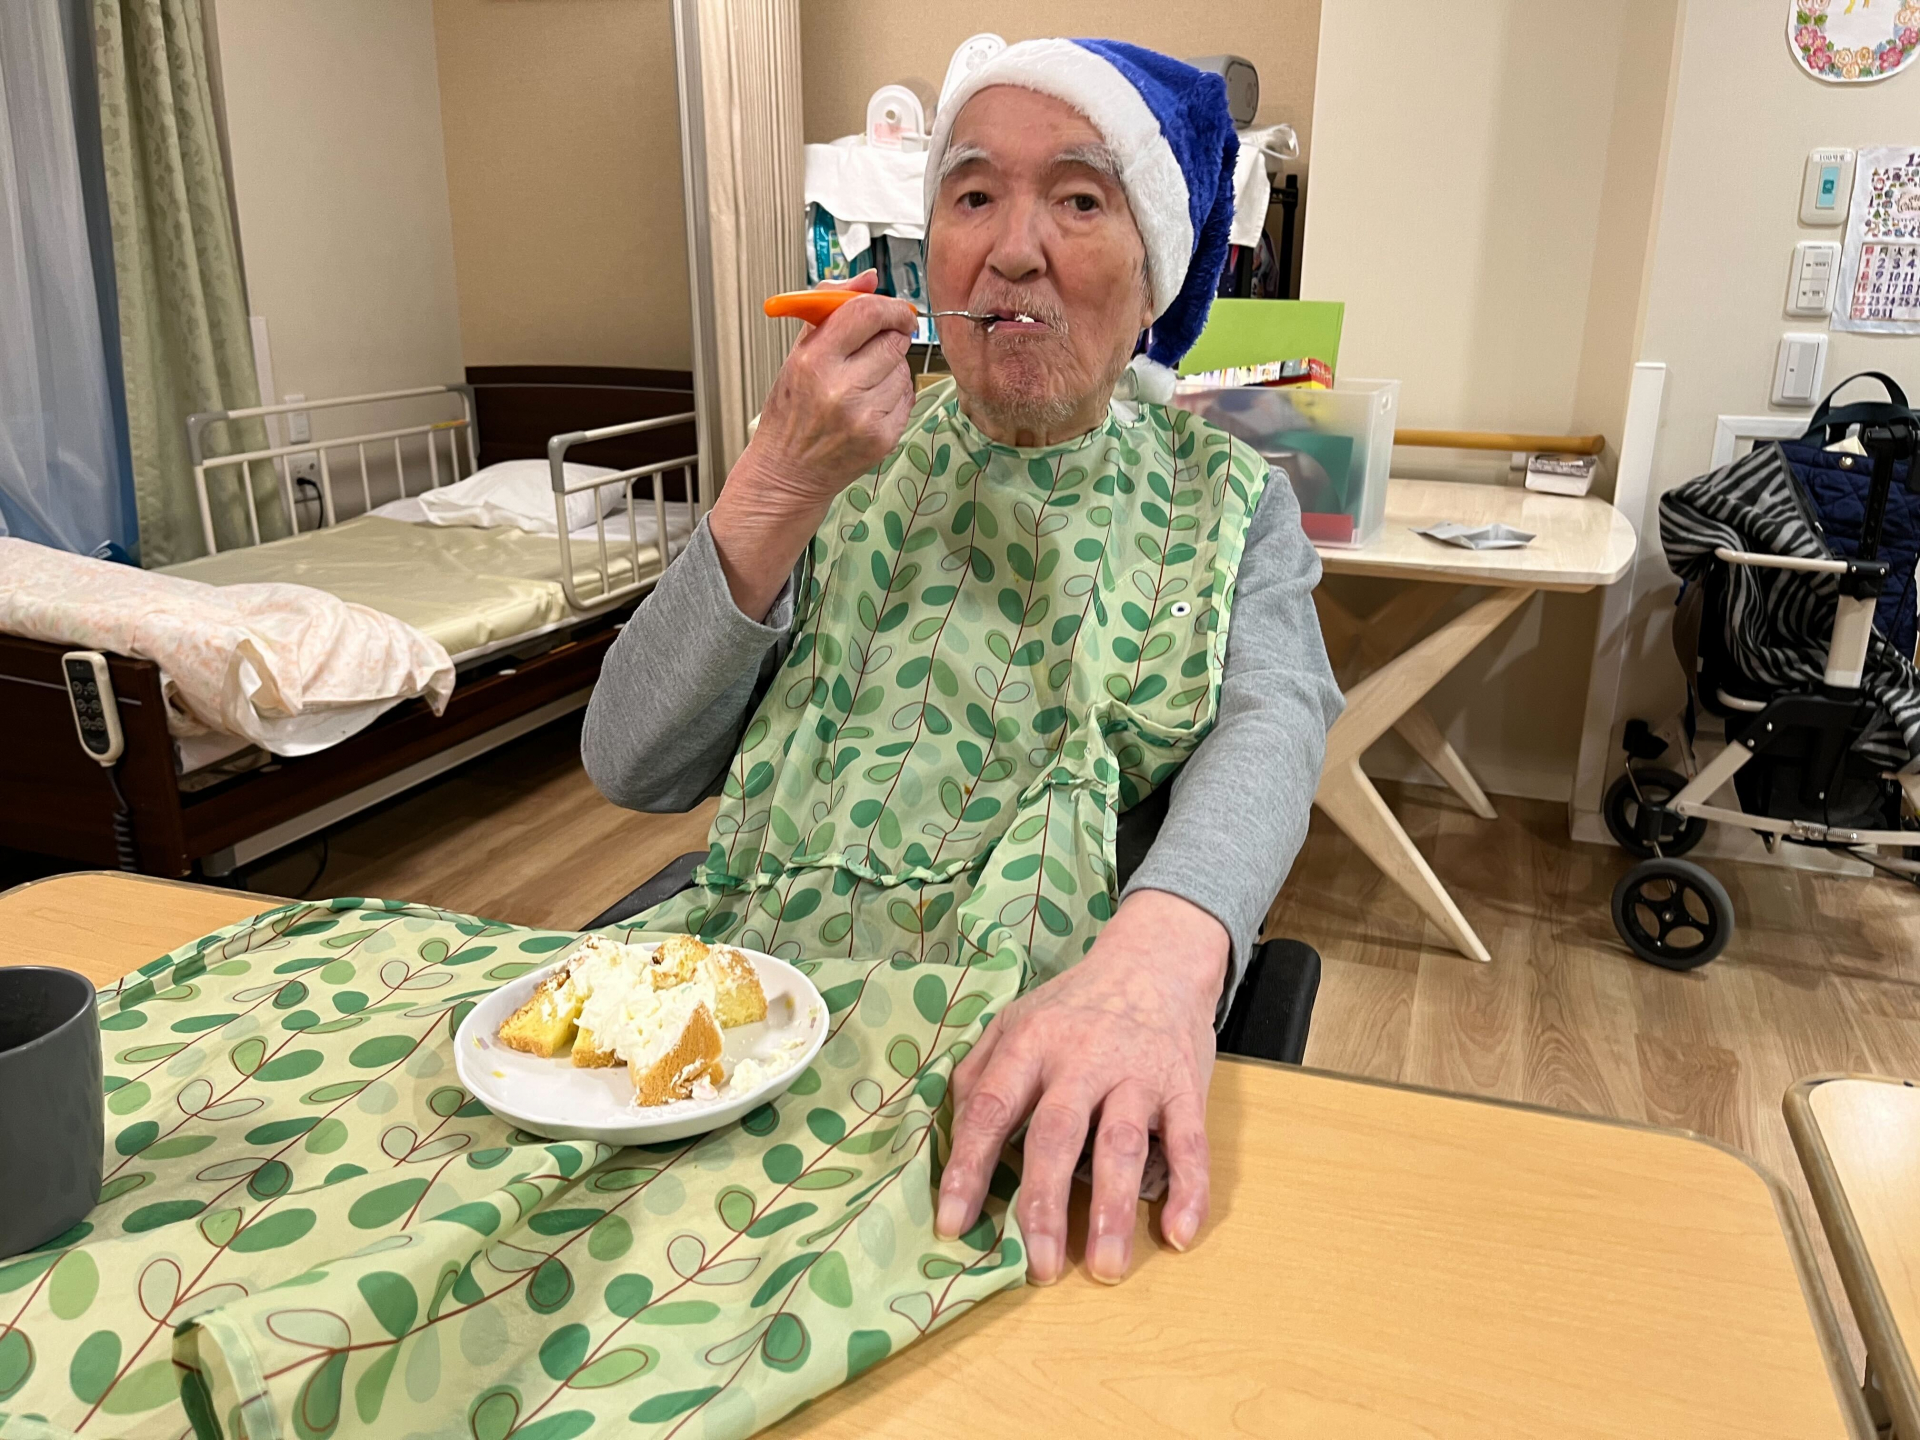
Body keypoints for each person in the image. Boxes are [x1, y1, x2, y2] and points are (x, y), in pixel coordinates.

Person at [582, 39, 1341, 1287]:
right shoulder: (840, 457)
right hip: (741, 1015)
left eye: (1080, 200)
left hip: (1024, 1050)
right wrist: (776, 483)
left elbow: (1277, 722)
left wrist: (1162, 956)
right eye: (973, 194)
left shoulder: (1231, 501)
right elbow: (629, 763)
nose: (1014, 248)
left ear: (1152, 274)